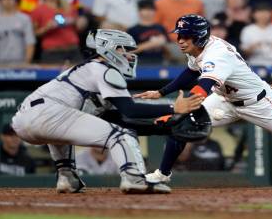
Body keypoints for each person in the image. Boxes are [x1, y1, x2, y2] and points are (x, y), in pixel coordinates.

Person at [11, 28, 204, 194]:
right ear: (108, 49)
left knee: (67, 129)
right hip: (49, 113)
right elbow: (131, 110)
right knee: (121, 136)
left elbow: (118, 117)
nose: (129, 55)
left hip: (24, 118)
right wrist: (174, 108)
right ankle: (134, 179)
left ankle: (67, 177)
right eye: (124, 49)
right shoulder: (103, 69)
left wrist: (164, 126)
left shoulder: (88, 70)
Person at [134, 14, 272, 185]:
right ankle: (162, 174)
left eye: (186, 36)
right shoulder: (198, 48)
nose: (180, 40)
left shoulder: (217, 54)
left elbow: (204, 86)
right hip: (224, 100)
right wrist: (162, 92)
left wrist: (183, 106)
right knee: (181, 125)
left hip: (259, 103)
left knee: (182, 116)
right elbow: (192, 71)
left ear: (199, 37)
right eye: (179, 35)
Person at [31, 0, 86, 64]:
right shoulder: (38, 10)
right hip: (52, 52)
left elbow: (78, 29)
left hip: (73, 50)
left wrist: (79, 23)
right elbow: (34, 34)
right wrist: (47, 28)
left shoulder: (70, 7)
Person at [127, 0, 171, 65]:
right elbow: (127, 52)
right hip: (140, 63)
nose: (148, 12)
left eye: (151, 9)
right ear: (139, 11)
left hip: (160, 62)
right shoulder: (133, 30)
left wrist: (163, 44)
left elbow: (169, 47)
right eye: (145, 9)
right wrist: (150, 44)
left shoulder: (160, 28)